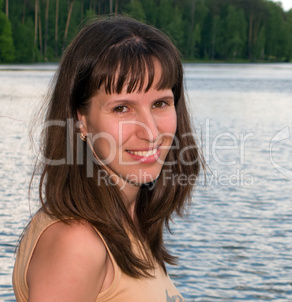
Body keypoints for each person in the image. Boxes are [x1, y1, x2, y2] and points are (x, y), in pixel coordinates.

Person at [12, 16, 202, 302]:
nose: (151, 132)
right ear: (81, 120)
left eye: (160, 103)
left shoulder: (129, 221)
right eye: (122, 108)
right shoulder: (76, 242)